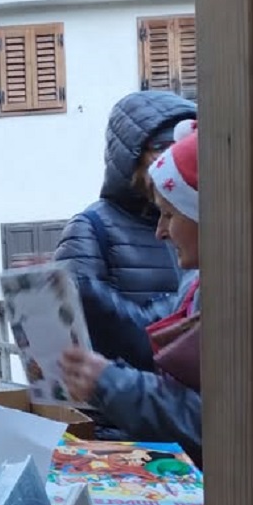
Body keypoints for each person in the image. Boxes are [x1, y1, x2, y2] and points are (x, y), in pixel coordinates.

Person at [60, 123, 202, 463]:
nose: (159, 231)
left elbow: (211, 420)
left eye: (169, 214)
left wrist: (107, 381)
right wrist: (78, 289)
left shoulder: (223, 290)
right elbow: (149, 329)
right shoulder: (200, 281)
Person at [55, 91, 196, 308]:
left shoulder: (201, 222)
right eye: (163, 146)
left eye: (182, 145)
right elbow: (70, 329)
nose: (173, 156)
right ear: (131, 153)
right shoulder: (90, 229)